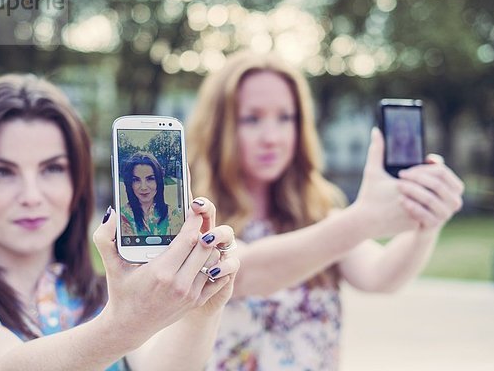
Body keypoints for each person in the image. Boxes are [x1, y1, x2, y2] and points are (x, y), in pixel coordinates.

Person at [0, 74, 239, 371]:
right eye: (2, 172)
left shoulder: (103, 297)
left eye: (52, 169)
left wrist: (200, 312)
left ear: (77, 183)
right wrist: (122, 326)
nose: (31, 196)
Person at [186, 51, 464, 370]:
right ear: (219, 126)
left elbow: (380, 276)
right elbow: (246, 273)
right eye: (252, 118)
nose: (271, 137)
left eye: (285, 117)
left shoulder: (318, 212)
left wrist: (427, 221)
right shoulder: (199, 216)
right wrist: (364, 219)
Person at [120, 151, 183, 236]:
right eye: (136, 180)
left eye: (150, 179)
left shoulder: (173, 214)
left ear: (158, 181)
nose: (143, 187)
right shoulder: (122, 216)